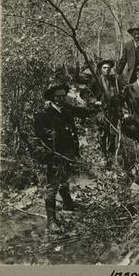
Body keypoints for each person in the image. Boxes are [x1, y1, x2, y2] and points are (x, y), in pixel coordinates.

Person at [34, 82, 98, 232]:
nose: (61, 99)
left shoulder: (67, 109)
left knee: (65, 177)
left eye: (63, 96)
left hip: (68, 151)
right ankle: (51, 220)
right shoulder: (43, 114)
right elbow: (38, 138)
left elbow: (83, 112)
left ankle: (68, 203)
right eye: (58, 97)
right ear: (51, 97)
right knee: (52, 185)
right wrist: (46, 155)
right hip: (53, 154)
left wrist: (97, 106)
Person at [90, 59, 121, 168]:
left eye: (109, 68)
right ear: (101, 69)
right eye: (104, 68)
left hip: (113, 111)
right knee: (102, 133)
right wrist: (95, 101)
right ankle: (104, 155)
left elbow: (120, 92)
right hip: (101, 111)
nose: (107, 70)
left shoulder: (114, 80)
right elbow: (86, 94)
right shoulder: (96, 81)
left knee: (112, 132)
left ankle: (112, 155)